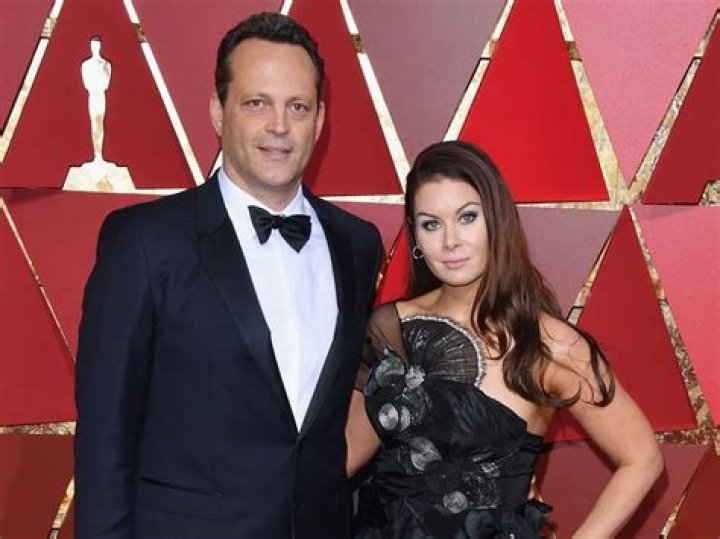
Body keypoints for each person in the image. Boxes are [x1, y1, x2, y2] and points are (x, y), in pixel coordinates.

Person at [74, 12, 383, 539]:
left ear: (320, 119)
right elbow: (105, 439)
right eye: (256, 103)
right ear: (218, 112)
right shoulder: (145, 242)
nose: (279, 126)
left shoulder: (356, 244)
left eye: (298, 106)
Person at [345, 141, 663, 538]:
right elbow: (346, 454)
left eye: (467, 217)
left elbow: (642, 459)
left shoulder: (550, 344)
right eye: (431, 224)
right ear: (415, 237)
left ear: (497, 220)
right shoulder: (389, 328)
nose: (450, 241)